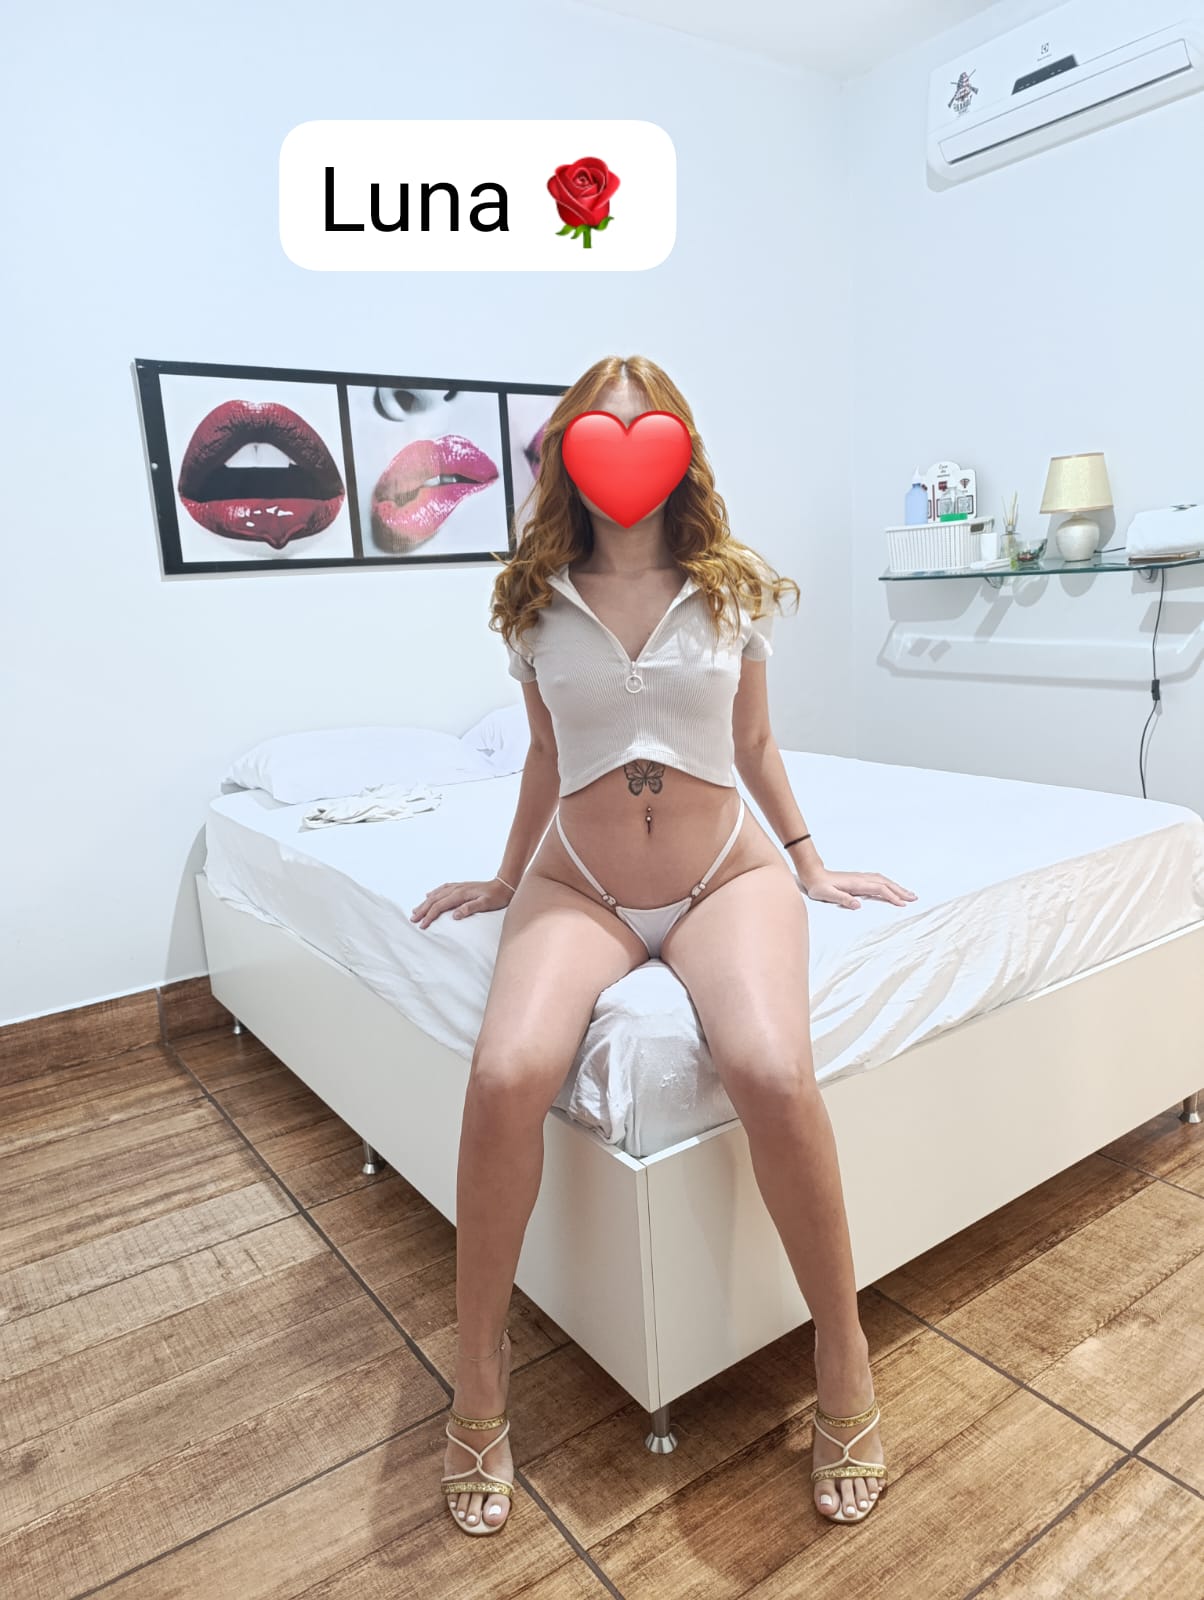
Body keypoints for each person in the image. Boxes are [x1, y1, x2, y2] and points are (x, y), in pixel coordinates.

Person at [409, 354, 918, 1537]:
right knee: (504, 1074)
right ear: (567, 451)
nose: (625, 443)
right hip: (578, 882)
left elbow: (755, 743)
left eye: (647, 425)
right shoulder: (532, 597)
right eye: (601, 425)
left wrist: (809, 861)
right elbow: (544, 755)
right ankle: (477, 1374)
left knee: (773, 1070)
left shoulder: (730, 586)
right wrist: (504, 877)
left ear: (680, 446)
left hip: (721, 873)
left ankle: (841, 1353)